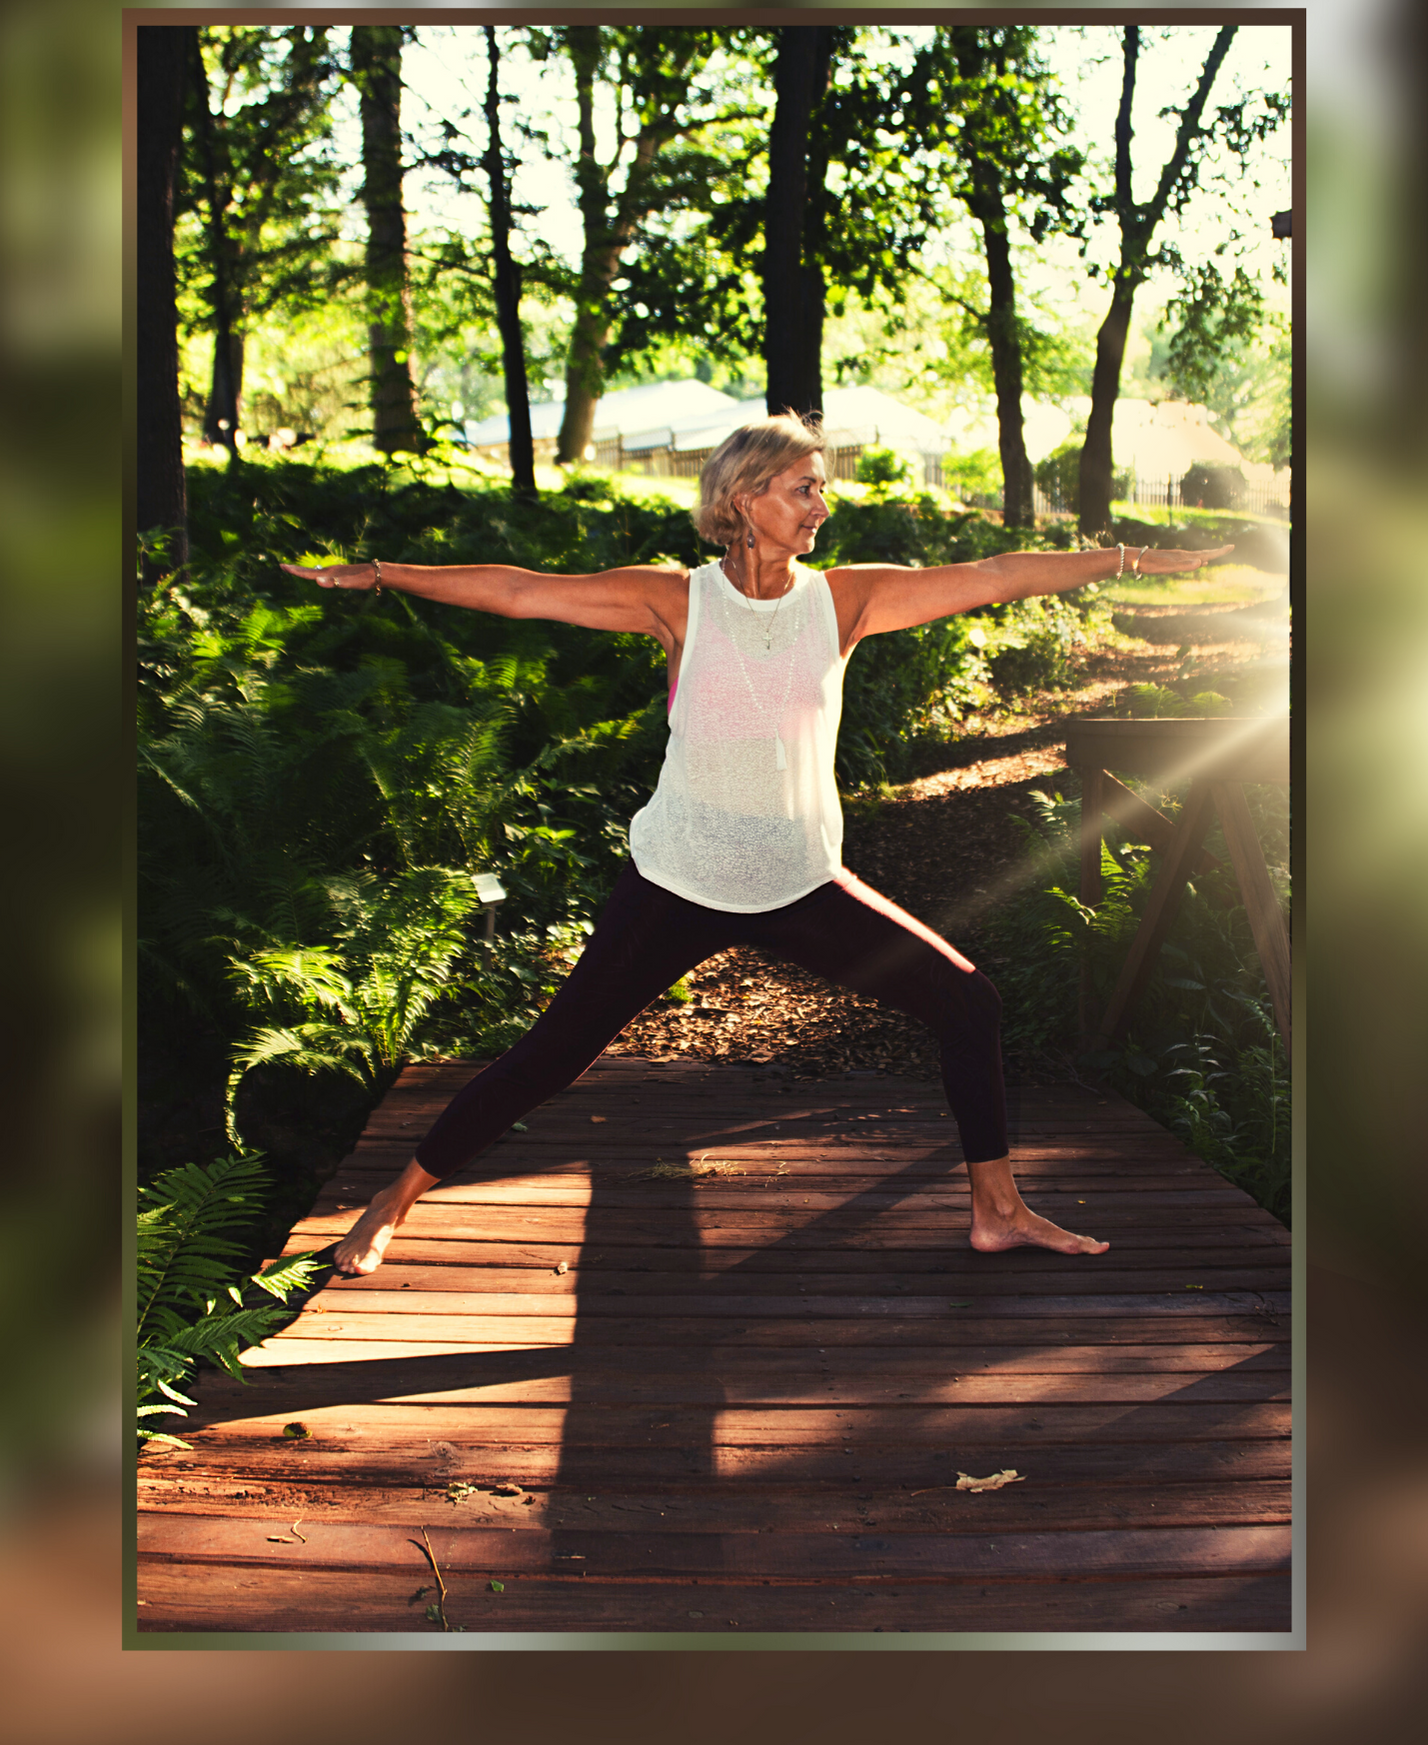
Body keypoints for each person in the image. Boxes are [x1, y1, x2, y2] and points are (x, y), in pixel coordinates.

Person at [281, 414, 1229, 1276]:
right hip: (678, 878)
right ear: (744, 499)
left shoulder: (845, 602)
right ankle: (390, 1202)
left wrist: (1132, 560)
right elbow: (524, 593)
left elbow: (998, 576)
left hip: (799, 880)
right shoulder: (677, 601)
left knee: (967, 1004)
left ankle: (998, 1209)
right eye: (806, 487)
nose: (825, 503)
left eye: (823, 486)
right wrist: (380, 574)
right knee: (552, 1054)